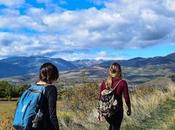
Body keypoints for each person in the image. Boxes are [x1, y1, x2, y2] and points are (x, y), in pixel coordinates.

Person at [99, 62, 131, 130]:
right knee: (115, 127)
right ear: (119, 71)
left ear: (110, 71)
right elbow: (127, 98)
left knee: (112, 126)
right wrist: (129, 108)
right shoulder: (122, 82)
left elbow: (100, 98)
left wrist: (100, 113)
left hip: (106, 112)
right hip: (117, 111)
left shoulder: (104, 82)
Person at [34, 62, 59, 130]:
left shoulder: (32, 87)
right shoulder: (51, 89)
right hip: (43, 126)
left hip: (29, 125)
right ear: (52, 75)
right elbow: (52, 115)